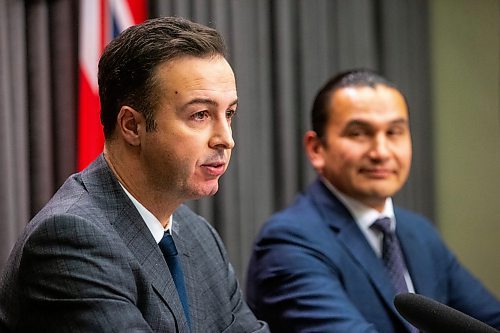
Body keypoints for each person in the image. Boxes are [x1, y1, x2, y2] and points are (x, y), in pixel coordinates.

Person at [0, 16, 269, 333]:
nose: (226, 138)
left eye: (229, 114)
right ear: (131, 126)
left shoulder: (199, 235)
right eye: (200, 115)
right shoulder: (70, 239)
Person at [245, 69, 500, 332]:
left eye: (394, 132)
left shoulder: (419, 233)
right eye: (358, 133)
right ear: (316, 149)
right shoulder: (289, 242)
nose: (381, 152)